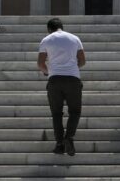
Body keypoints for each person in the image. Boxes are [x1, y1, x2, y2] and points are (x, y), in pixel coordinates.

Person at [37, 17, 86, 156]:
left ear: (49, 29)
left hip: (55, 80)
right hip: (73, 79)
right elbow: (82, 61)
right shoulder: (75, 38)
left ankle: (59, 144)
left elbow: (40, 64)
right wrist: (72, 68)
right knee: (75, 111)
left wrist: (49, 71)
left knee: (56, 113)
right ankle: (69, 137)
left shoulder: (46, 40)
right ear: (61, 27)